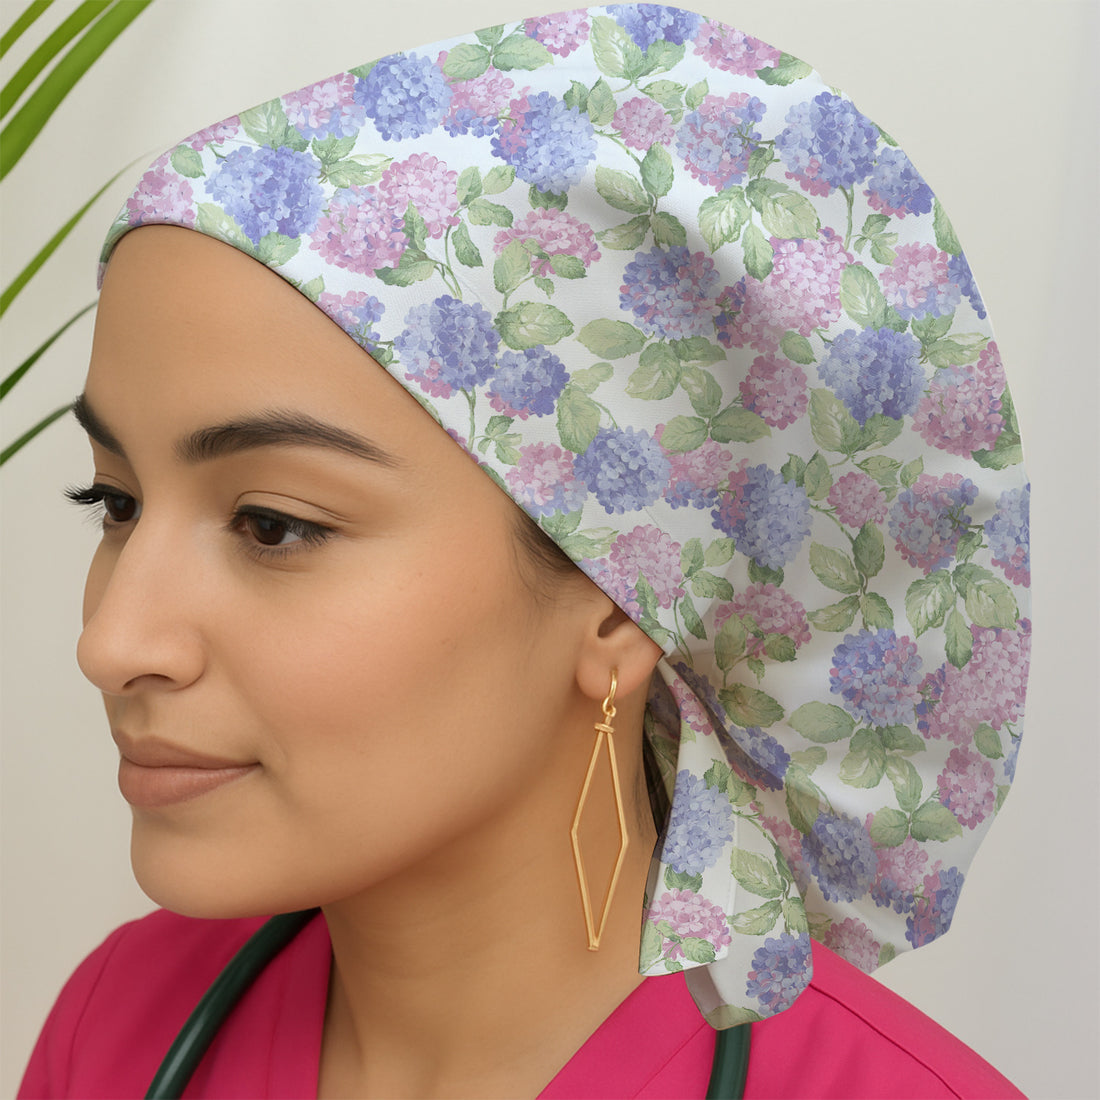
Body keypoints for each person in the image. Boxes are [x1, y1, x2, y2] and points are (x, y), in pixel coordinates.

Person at [19, 6, 1032, 1097]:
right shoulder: (114, 1023)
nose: (112, 642)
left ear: (621, 597)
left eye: (273, 524)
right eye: (115, 501)